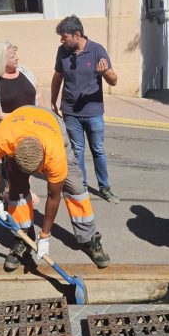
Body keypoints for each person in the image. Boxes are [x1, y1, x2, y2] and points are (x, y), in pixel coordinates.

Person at [0, 105, 110, 271]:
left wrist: (45, 236)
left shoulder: (55, 155)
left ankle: (88, 239)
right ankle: (23, 238)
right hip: (19, 122)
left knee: (75, 188)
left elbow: (53, 195)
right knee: (17, 188)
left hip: (51, 124)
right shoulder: (2, 139)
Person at [50, 15, 120, 204]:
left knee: (98, 150)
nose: (62, 40)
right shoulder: (62, 52)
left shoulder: (97, 50)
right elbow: (57, 78)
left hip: (94, 112)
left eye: (65, 37)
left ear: (77, 34)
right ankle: (80, 187)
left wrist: (104, 73)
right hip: (70, 112)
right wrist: (52, 102)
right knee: (77, 151)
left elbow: (114, 80)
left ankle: (104, 188)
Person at [0, 42, 41, 204]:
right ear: (0, 60)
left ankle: (26, 188)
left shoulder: (24, 71)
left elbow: (37, 94)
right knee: (8, 162)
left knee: (27, 159)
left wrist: (42, 116)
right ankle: (8, 190)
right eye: (12, 56)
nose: (17, 58)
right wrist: (3, 115)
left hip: (28, 127)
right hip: (5, 129)